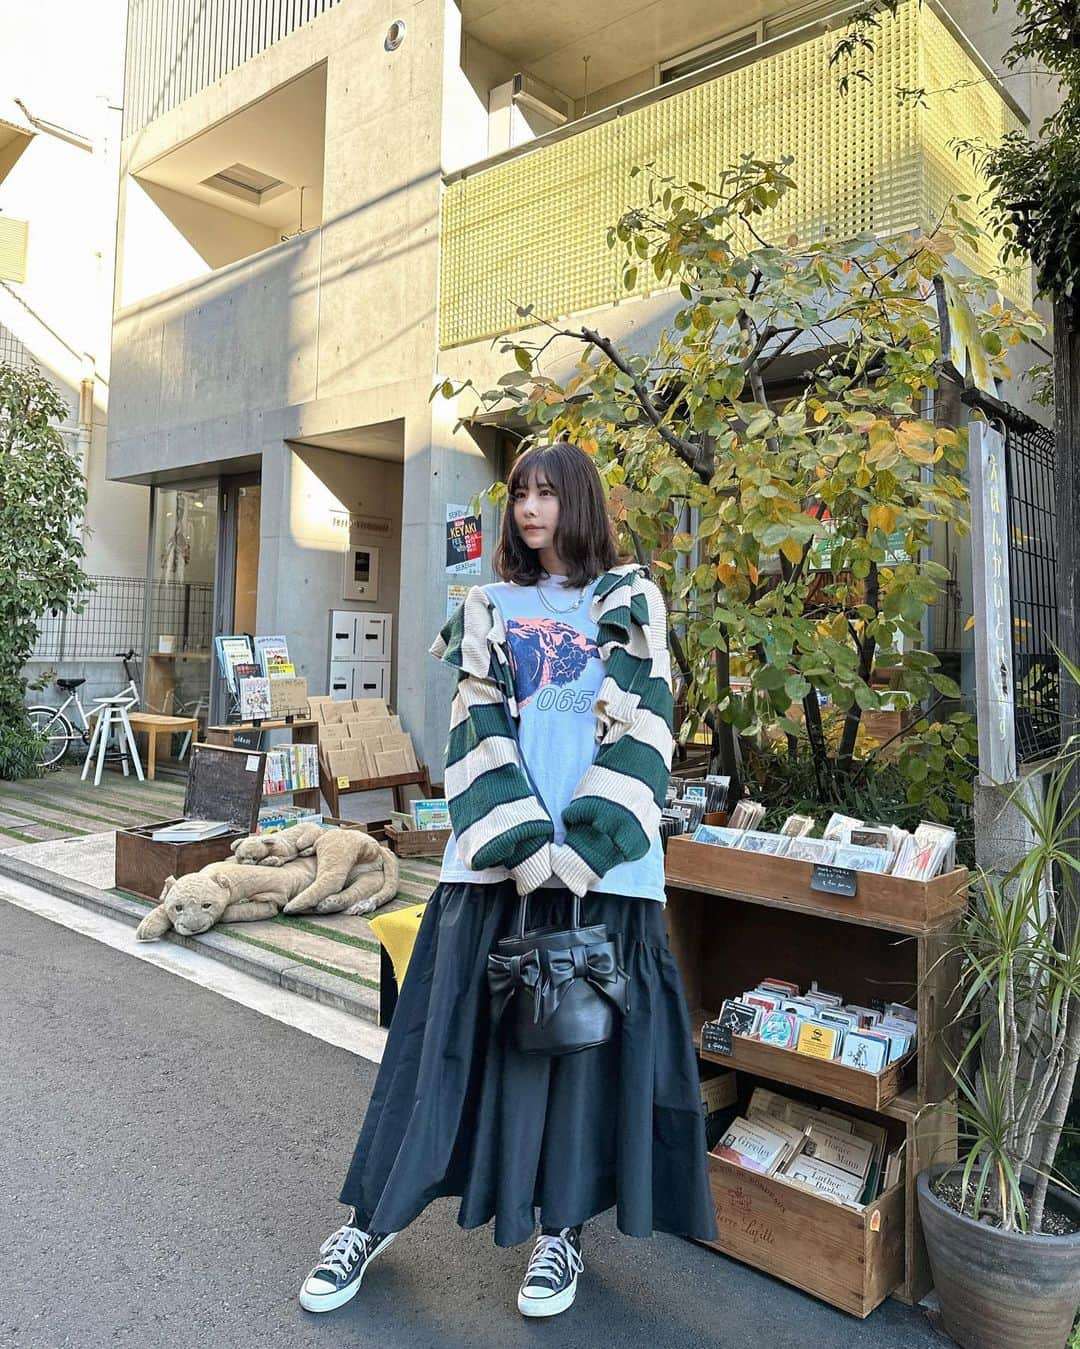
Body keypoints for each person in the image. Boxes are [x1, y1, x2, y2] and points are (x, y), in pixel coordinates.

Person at [299, 439, 717, 1320]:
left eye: (547, 494)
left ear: (580, 502)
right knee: (439, 1044)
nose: (530, 509)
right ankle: (366, 1220)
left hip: (604, 868)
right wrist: (529, 846)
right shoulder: (485, 604)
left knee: (576, 1055)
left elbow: (650, 725)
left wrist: (582, 852)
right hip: (496, 861)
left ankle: (559, 1234)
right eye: (520, 494)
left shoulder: (631, 598)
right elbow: (473, 731)